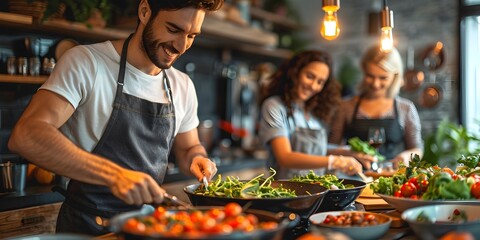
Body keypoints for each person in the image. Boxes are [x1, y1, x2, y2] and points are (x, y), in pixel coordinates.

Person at [8, 0, 224, 236]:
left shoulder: (182, 85)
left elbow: (188, 148)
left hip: (147, 228)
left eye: (192, 35)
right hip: (88, 227)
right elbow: (27, 134)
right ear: (144, 12)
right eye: (174, 30)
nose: (181, 46)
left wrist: (197, 157)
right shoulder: (86, 62)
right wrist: (115, 175)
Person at [258, 50, 375, 180]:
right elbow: (285, 157)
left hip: (315, 190)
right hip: (286, 191)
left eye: (320, 82)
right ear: (295, 73)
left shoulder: (310, 111)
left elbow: (315, 149)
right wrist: (335, 161)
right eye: (309, 76)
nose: (313, 86)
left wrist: (350, 152)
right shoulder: (274, 106)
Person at [329, 45, 423, 168]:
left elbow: (417, 148)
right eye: (370, 76)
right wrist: (348, 152)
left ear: (395, 76)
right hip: (354, 178)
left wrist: (406, 157)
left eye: (383, 78)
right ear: (363, 70)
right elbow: (330, 147)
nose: (375, 84)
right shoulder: (346, 106)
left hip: (390, 176)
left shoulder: (405, 108)